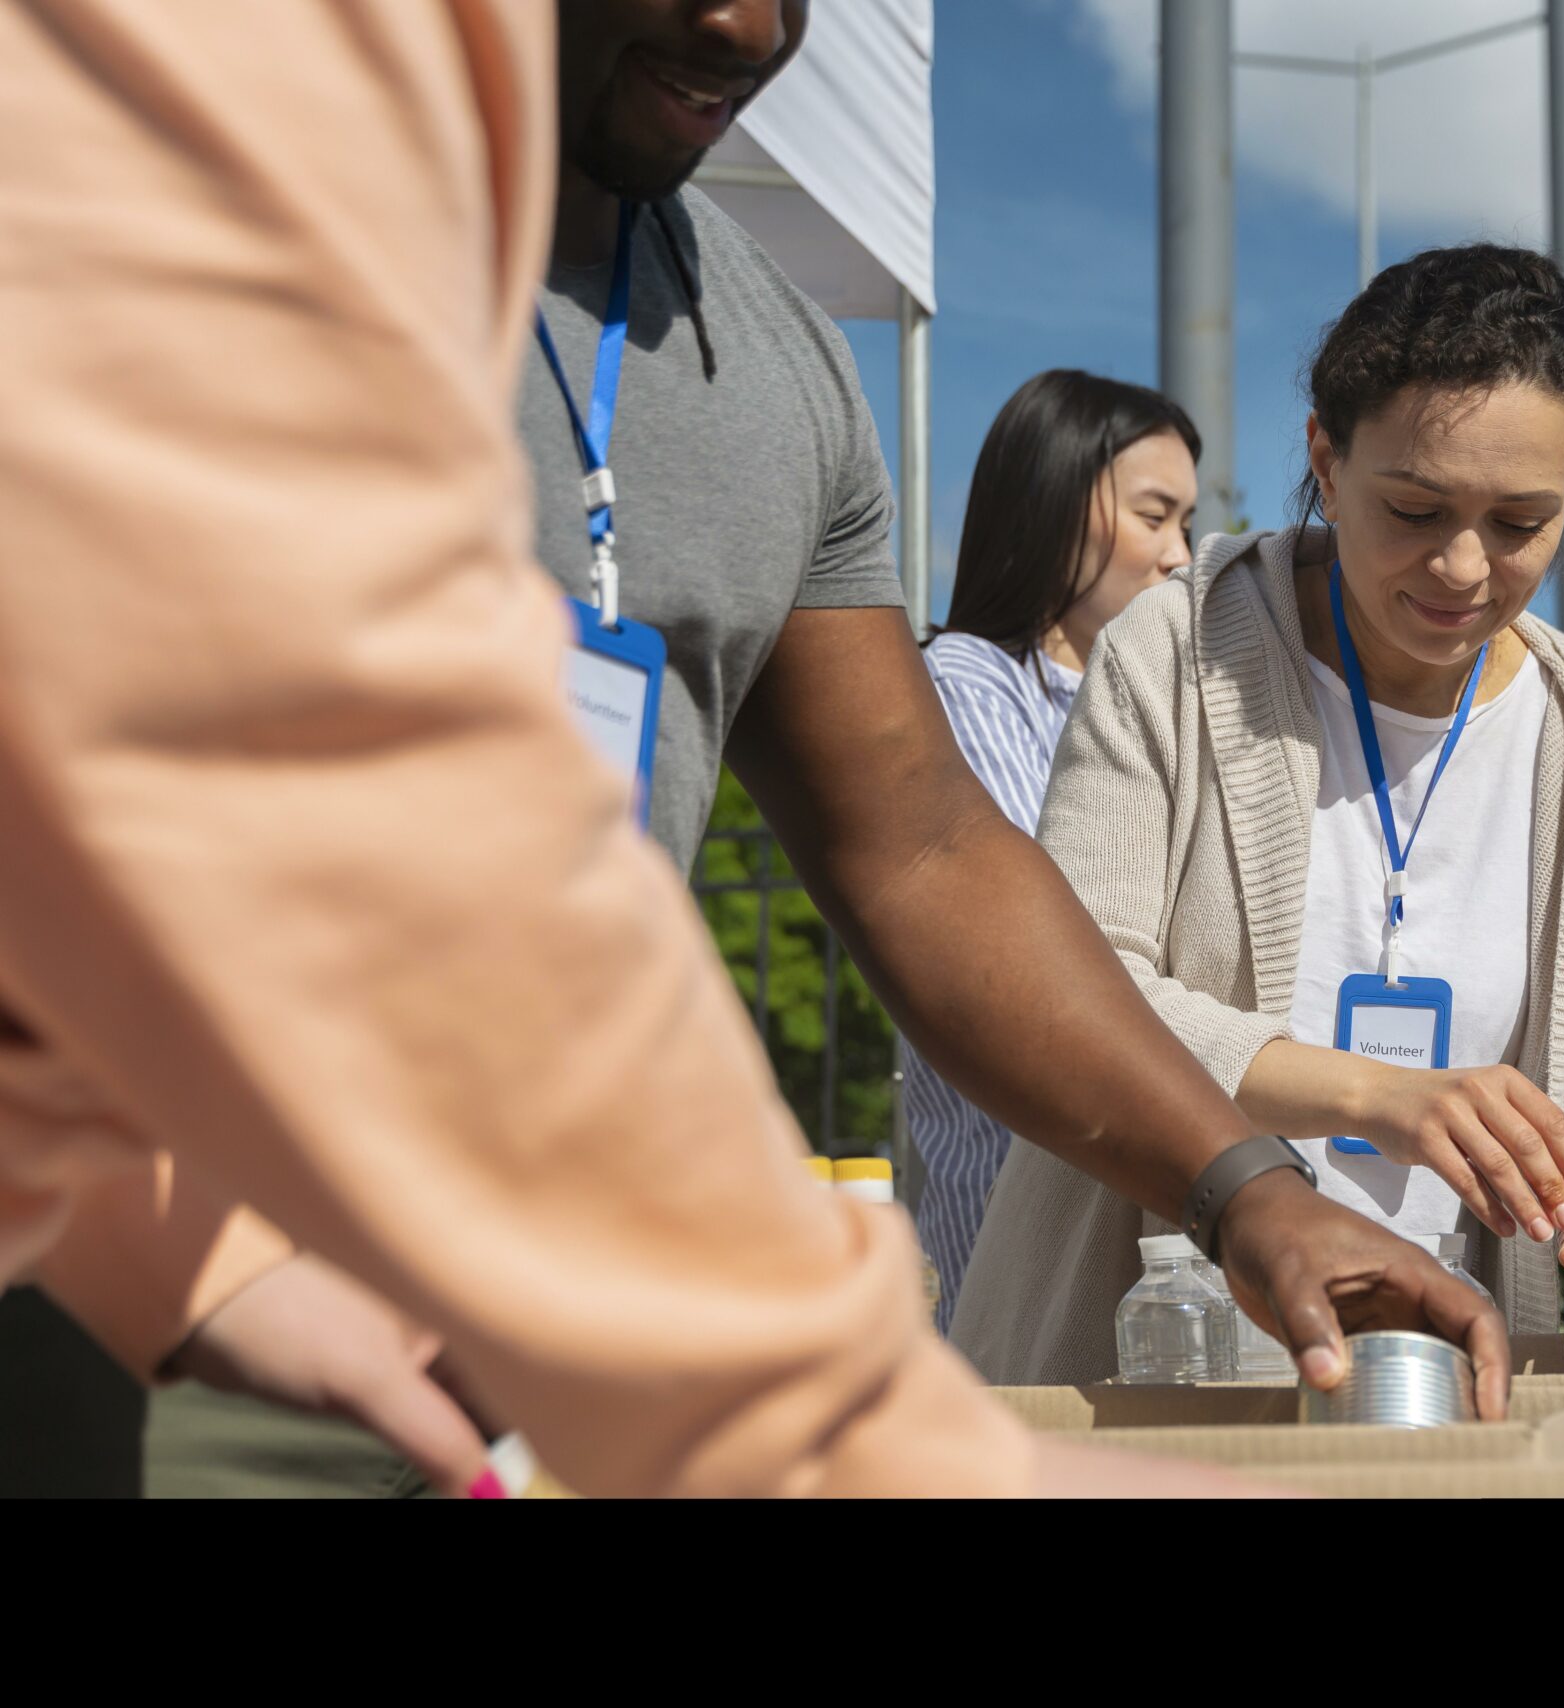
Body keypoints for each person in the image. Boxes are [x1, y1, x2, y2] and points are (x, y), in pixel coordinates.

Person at [0, 0, 1485, 1502]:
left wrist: (1241, 1185)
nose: (744, 21)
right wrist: (165, 1249)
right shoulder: (175, 211)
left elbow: (925, 849)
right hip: (157, 1318)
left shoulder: (779, 368)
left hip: (562, 1335)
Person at [956, 246, 1564, 1386]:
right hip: (1157, 1336)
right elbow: (1074, 990)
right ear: (1325, 463)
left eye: (1522, 519)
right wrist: (1373, 1093)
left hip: (1440, 1358)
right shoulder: (1179, 654)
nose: (1465, 566)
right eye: (1416, 508)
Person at [904, 371, 1201, 1326]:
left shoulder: (1159, 701)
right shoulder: (966, 683)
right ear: (1053, 501)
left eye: (1187, 524)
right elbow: (1041, 915)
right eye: (1154, 516)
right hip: (1017, 1183)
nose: (1179, 556)